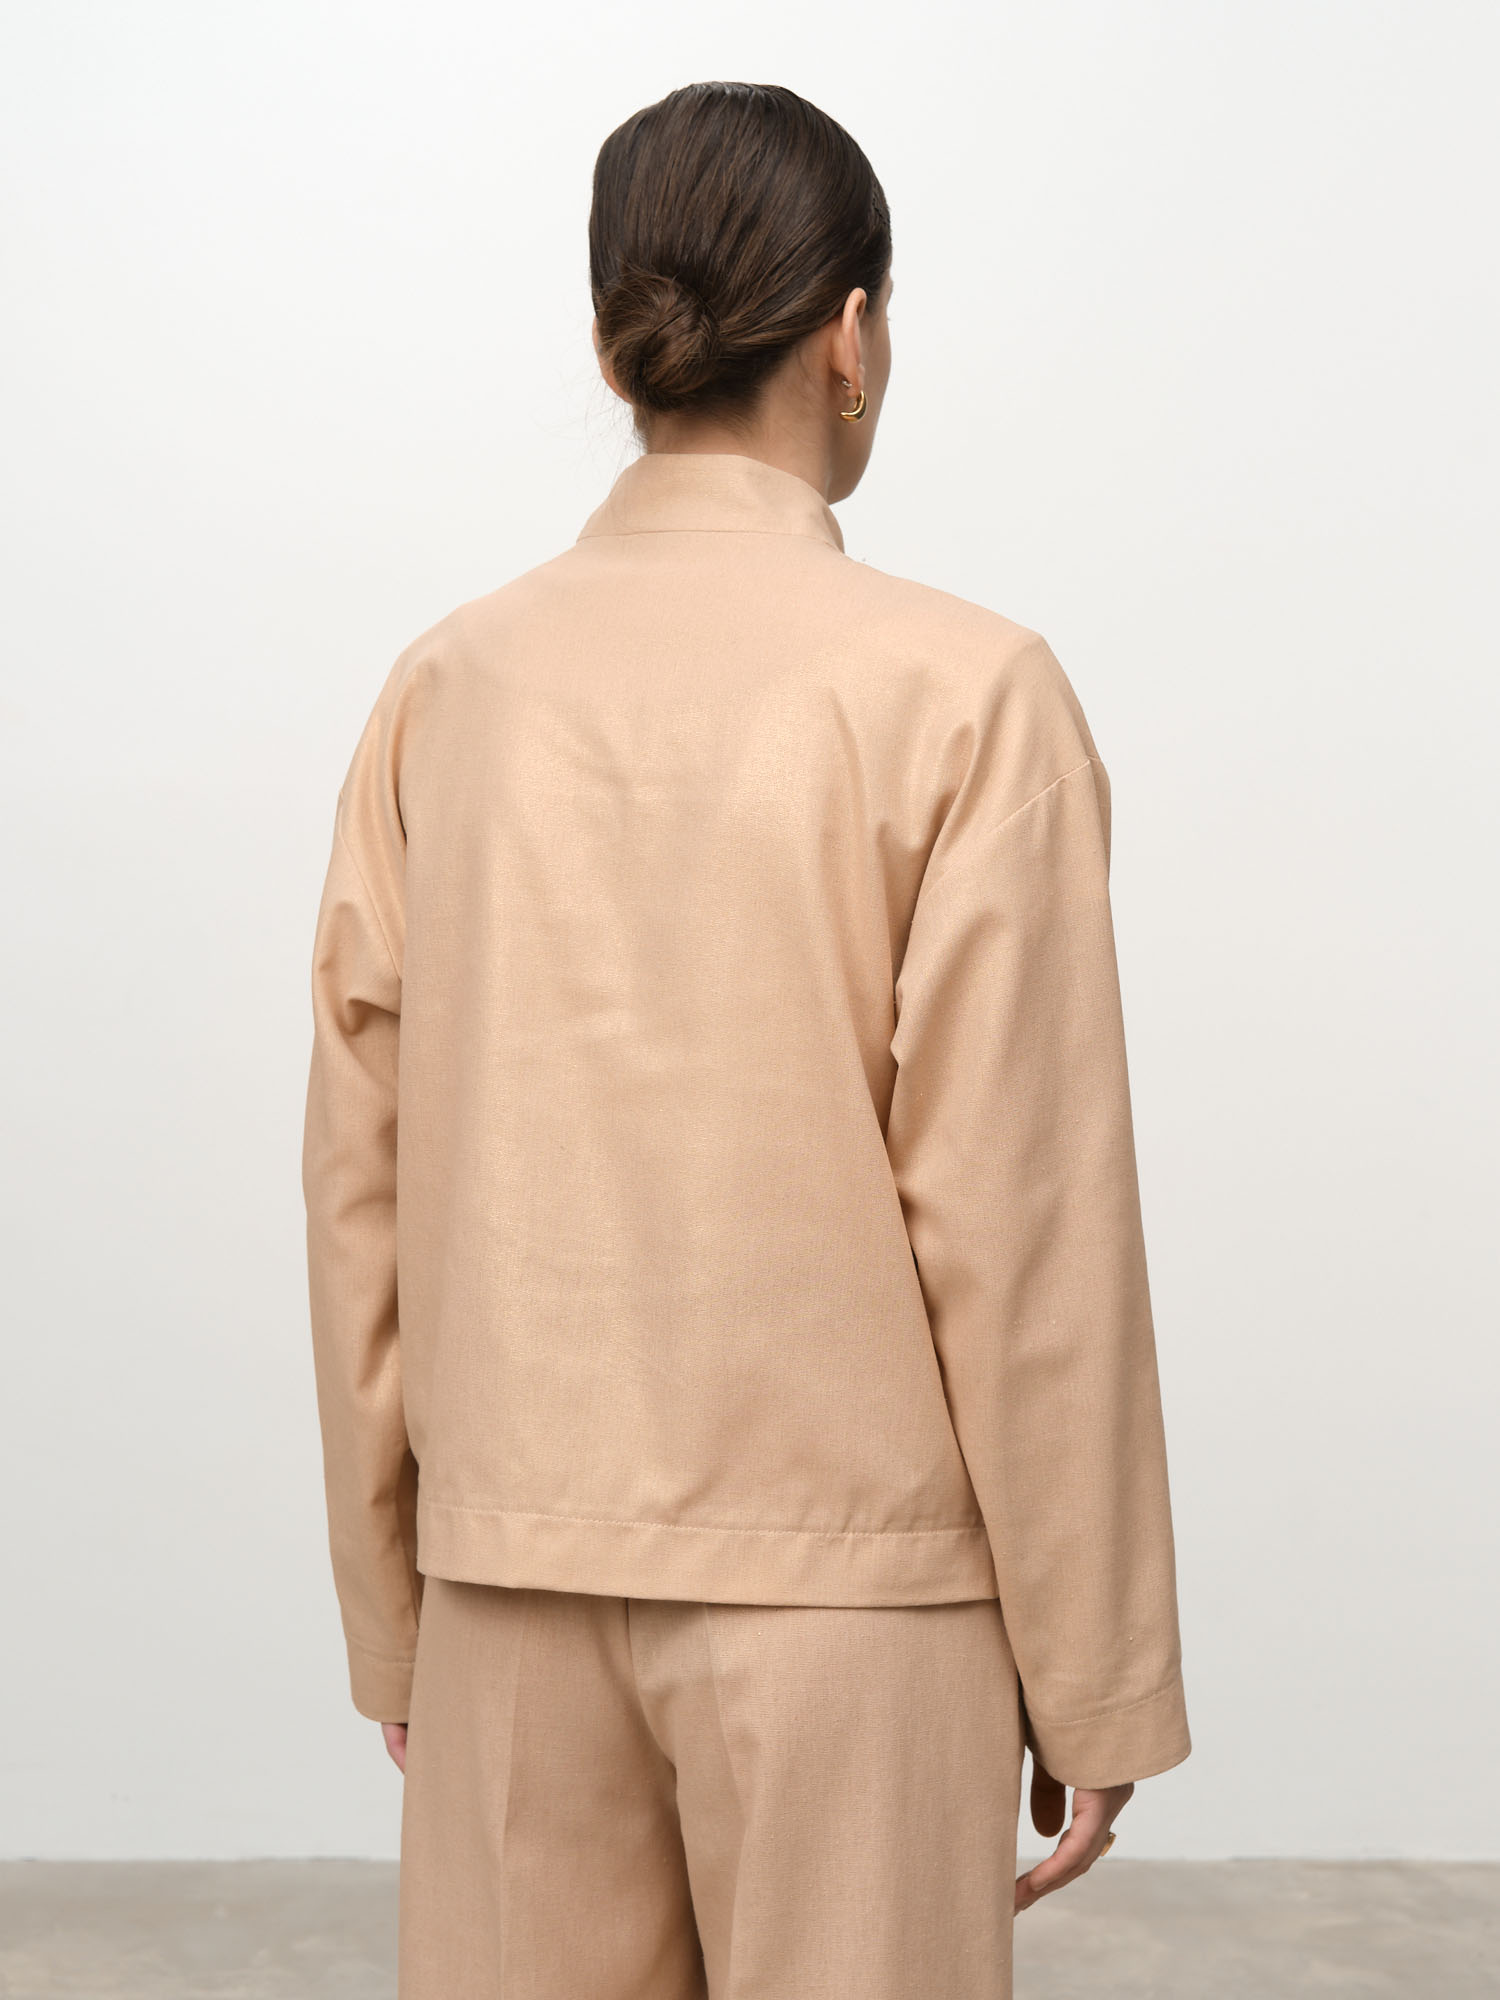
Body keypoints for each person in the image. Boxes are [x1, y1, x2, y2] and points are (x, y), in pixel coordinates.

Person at [301, 78, 1190, 2000]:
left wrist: (396, 1607)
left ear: (615, 334)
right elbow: (1023, 1224)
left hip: (515, 1588)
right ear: (851, 333)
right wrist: (1097, 1667)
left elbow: (360, 1184)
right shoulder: (969, 696)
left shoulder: (449, 689)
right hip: (856, 1614)